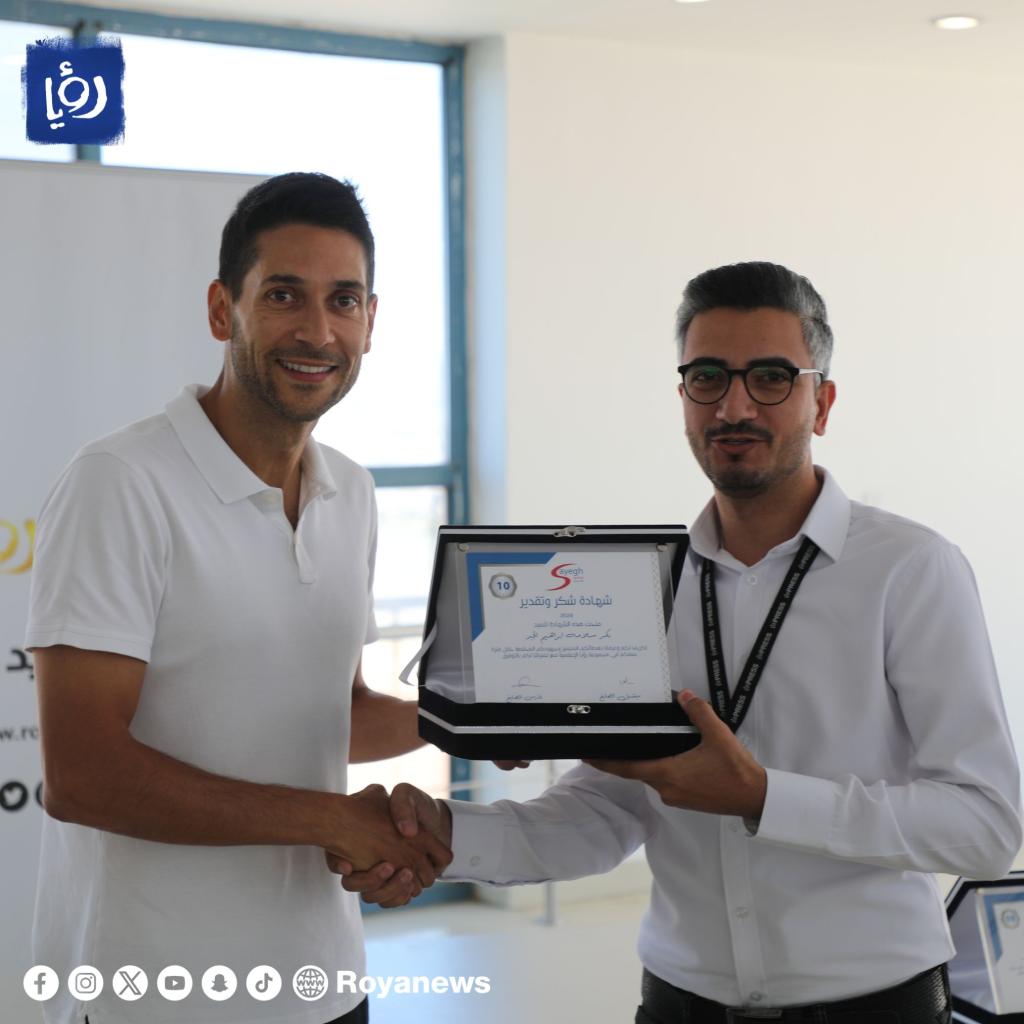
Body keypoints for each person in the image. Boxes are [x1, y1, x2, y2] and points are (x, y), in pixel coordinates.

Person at [341, 262, 1022, 1023]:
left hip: (875, 1007)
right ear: (684, 399)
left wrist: (764, 797)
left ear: (822, 402)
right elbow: (608, 810)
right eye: (707, 377)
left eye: (771, 377)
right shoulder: (638, 587)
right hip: (677, 1003)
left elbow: (986, 825)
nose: (734, 406)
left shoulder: (911, 570)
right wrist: (445, 834)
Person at [26, 172, 450, 1024]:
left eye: (343, 301)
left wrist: (478, 721)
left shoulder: (353, 492)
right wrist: (333, 820)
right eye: (284, 295)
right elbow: (83, 776)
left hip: (325, 981)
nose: (318, 331)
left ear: (371, 322)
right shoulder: (121, 482)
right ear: (224, 310)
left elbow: (334, 714)